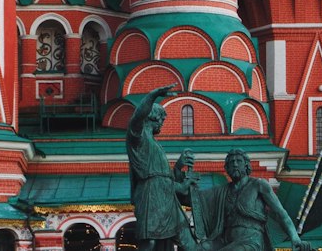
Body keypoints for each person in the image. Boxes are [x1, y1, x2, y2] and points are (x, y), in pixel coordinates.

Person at [176, 149, 308, 251]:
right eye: (231, 162)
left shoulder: (258, 185)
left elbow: (281, 213)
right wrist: (178, 169)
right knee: (197, 249)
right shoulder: (221, 191)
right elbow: (194, 200)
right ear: (227, 168)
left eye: (238, 161)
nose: (234, 164)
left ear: (246, 165)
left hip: (251, 241)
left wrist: (294, 238)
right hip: (224, 239)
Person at [126, 86, 195, 251]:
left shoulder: (155, 144)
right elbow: (137, 118)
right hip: (151, 196)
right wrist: (153, 95)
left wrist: (178, 165)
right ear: (152, 118)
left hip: (166, 198)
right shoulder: (139, 137)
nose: (162, 125)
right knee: (150, 241)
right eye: (161, 121)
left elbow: (164, 177)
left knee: (182, 240)